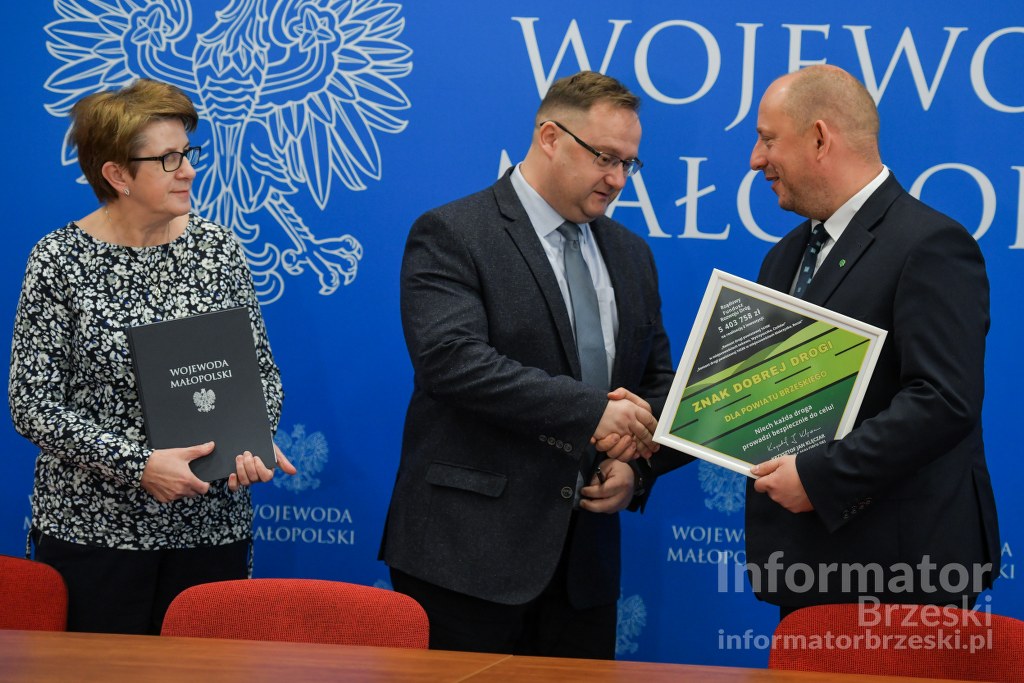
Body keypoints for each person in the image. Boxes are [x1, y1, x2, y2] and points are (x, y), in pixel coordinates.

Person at [380, 71, 688, 659]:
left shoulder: (631, 254)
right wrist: (593, 413)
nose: (618, 179)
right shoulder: (453, 232)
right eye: (605, 157)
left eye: (629, 164)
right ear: (550, 137)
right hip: (466, 559)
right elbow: (453, 362)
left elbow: (655, 383)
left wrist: (637, 467)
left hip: (584, 568)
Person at [8, 78, 296, 635]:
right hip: (94, 534)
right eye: (168, 159)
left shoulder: (217, 249)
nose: (188, 171)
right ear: (117, 175)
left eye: (187, 153)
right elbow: (32, 404)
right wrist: (138, 465)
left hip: (210, 531)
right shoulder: (59, 260)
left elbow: (260, 372)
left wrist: (250, 441)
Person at [745, 65, 1000, 614]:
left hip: (905, 571)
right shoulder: (784, 257)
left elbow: (943, 400)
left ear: (820, 138)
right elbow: (759, 394)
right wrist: (648, 439)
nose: (755, 159)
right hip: (810, 564)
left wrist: (818, 477)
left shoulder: (931, 244)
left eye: (768, 139)